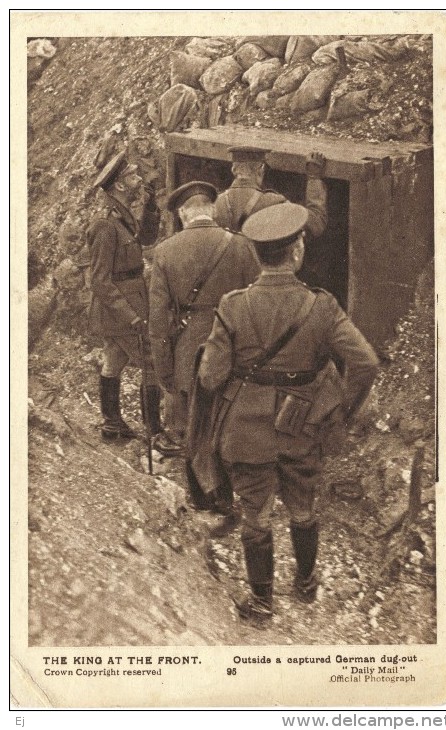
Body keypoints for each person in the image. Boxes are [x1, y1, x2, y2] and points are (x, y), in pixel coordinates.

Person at [197, 202, 379, 625]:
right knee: (303, 505)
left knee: (256, 514)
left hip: (246, 429)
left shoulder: (233, 305)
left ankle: (262, 603)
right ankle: (306, 584)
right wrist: (340, 412)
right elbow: (365, 362)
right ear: (297, 250)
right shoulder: (321, 306)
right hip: (305, 425)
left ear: (258, 255)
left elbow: (209, 379)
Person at [148, 181, 260, 523]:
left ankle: (203, 496)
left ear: (183, 214)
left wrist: (163, 365)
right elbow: (256, 301)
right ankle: (228, 492)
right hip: (232, 341)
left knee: (192, 419)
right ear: (211, 209)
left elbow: (158, 318)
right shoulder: (242, 246)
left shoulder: (165, 252)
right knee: (226, 415)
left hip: (188, 345)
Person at [87, 151, 161, 441]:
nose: (138, 179)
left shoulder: (122, 215)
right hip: (120, 310)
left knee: (115, 359)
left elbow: (145, 240)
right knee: (152, 362)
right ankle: (154, 431)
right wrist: (131, 317)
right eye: (132, 176)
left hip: (125, 304)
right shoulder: (105, 224)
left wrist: (151, 208)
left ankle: (112, 423)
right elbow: (99, 281)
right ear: (119, 185)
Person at [214, 146, 328, 240]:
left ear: (233, 170)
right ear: (261, 169)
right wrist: (314, 178)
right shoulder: (273, 203)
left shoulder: (215, 203)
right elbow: (315, 224)